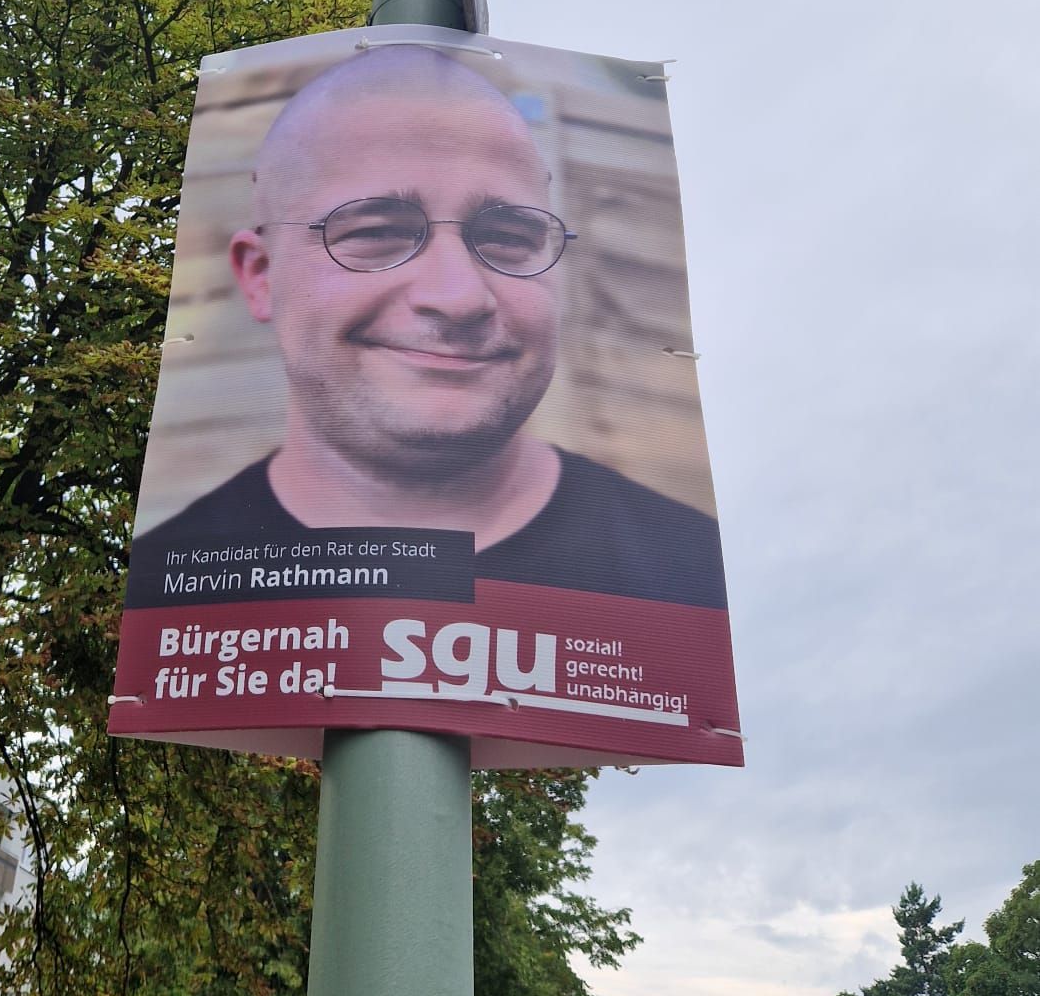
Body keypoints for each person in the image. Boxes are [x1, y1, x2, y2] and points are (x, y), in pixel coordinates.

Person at [127, 42, 724, 608]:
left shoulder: (688, 580)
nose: (457, 297)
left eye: (507, 237)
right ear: (261, 276)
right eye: (377, 232)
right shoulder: (169, 606)